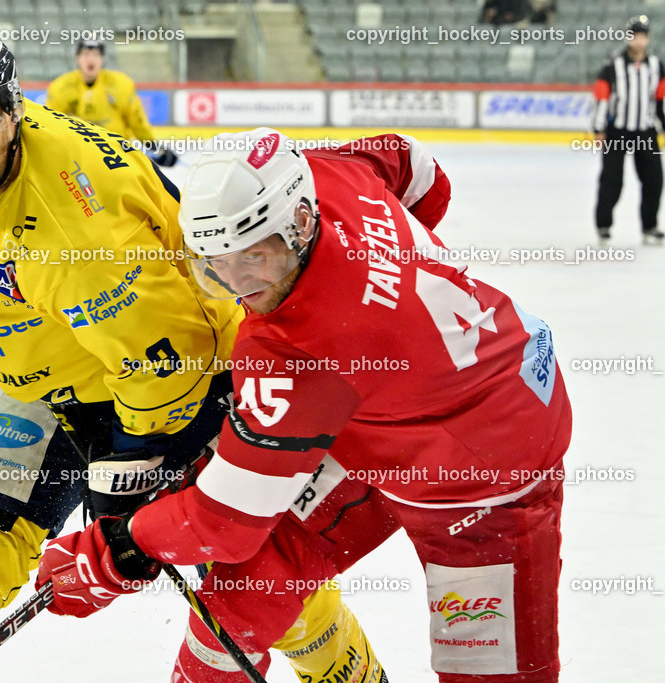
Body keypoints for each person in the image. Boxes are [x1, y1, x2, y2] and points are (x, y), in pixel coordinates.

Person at [0, 19, 382, 683]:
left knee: (248, 576)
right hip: (42, 377)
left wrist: (124, 479)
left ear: (12, 111)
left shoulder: (79, 229)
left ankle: (351, 675)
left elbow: (165, 360)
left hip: (173, 383)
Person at [39, 128, 572, 683]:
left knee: (490, 672)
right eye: (214, 263)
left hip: (490, 471)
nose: (238, 282)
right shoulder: (326, 176)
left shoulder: (294, 354)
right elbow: (415, 164)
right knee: (243, 596)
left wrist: (111, 552)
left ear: (296, 224)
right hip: (380, 424)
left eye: (254, 256)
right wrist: (405, 289)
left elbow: (225, 522)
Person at [592, 15, 665, 246]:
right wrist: (598, 129)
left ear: (647, 39)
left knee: (654, 179)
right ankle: (604, 226)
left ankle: (650, 227)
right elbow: (602, 98)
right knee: (612, 181)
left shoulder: (656, 65)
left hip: (645, 130)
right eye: (634, 37)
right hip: (618, 131)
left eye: (642, 37)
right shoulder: (612, 65)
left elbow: (660, 99)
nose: (638, 42)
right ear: (628, 38)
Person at [46, 39, 178, 167]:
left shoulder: (120, 84)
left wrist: (152, 146)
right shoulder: (61, 87)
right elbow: (51, 123)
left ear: (102, 59)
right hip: (79, 154)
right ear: (77, 59)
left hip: (116, 154)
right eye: (85, 54)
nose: (91, 59)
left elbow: (136, 120)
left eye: (96, 55)